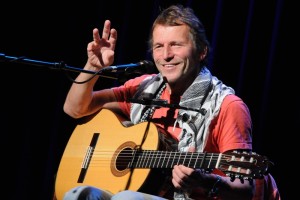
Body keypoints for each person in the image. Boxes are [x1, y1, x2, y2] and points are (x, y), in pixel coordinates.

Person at [61, 4, 279, 200]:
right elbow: (75, 108)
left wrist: (205, 181)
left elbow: (245, 189)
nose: (165, 55)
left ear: (201, 51)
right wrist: (93, 67)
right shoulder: (143, 89)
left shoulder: (227, 106)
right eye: (158, 46)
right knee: (79, 194)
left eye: (176, 45)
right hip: (144, 192)